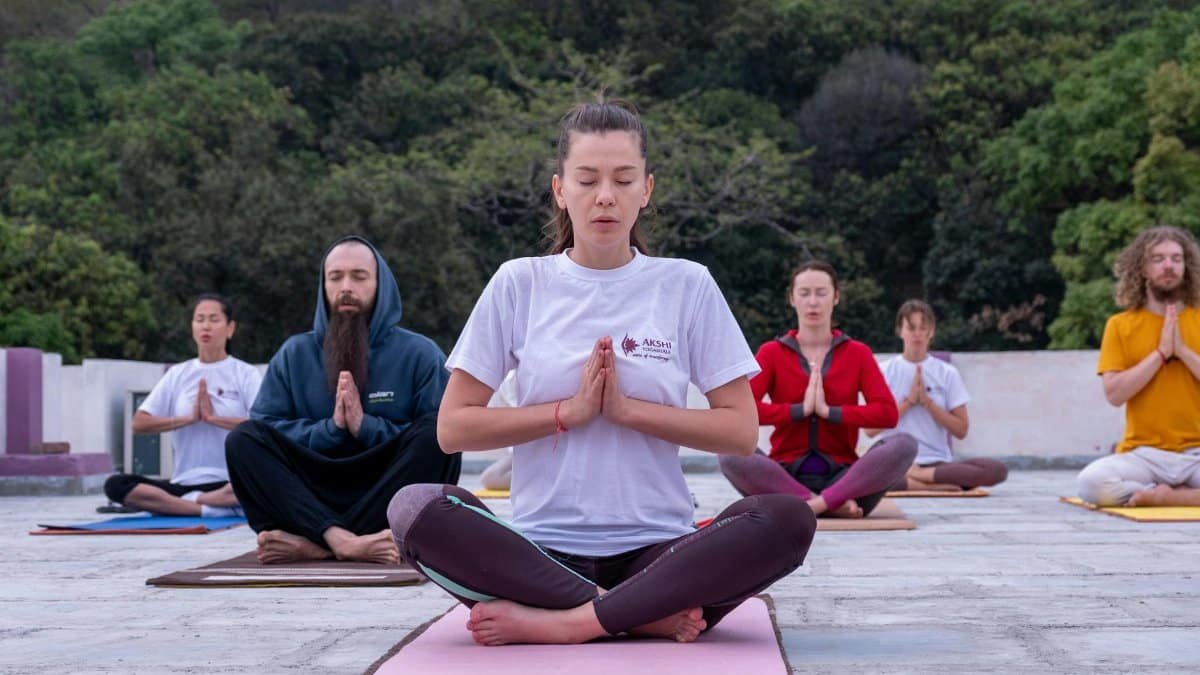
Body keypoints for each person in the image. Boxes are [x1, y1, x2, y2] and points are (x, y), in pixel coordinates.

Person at [387, 101, 816, 647]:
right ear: (560, 190)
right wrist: (570, 413)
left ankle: (571, 622)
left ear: (647, 189)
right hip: (538, 554)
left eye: (623, 179)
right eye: (587, 179)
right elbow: (454, 426)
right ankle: (634, 616)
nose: (605, 195)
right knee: (414, 509)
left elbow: (738, 429)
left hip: (662, 554)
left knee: (786, 522)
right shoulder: (519, 283)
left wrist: (627, 412)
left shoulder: (686, 285)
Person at [225, 236, 460, 564]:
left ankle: (318, 545)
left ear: (381, 285)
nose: (346, 287)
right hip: (309, 492)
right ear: (323, 286)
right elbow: (267, 425)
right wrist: (329, 429)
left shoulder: (418, 353)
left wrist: (366, 427)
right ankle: (345, 541)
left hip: (385, 486)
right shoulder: (295, 353)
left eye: (359, 277)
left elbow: (448, 434)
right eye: (335, 277)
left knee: (437, 433)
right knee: (243, 439)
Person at [719, 260, 917, 518]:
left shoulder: (858, 353)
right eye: (804, 293)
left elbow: (887, 414)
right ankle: (818, 503)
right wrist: (799, 411)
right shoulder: (772, 353)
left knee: (904, 444)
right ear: (792, 298)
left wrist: (829, 411)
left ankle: (819, 504)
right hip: (785, 478)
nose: (813, 302)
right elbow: (742, 410)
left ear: (835, 297)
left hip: (846, 481)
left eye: (821, 293)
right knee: (728, 452)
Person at [103, 294, 261, 517]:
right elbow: (139, 423)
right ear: (192, 327)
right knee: (116, 485)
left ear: (230, 328)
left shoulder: (245, 373)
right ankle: (208, 509)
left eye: (214, 319)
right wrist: (188, 419)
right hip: (183, 484)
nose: (206, 326)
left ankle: (189, 505)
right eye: (200, 319)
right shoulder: (178, 373)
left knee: (268, 482)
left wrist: (214, 419)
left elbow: (264, 425)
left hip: (232, 481)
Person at [1076, 225, 1200, 507]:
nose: (1168, 266)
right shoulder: (1120, 325)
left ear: (1186, 266)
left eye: (1176, 258)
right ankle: (1183, 496)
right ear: (1142, 269)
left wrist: (1181, 351)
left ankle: (1167, 497)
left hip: (1197, 453)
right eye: (1158, 259)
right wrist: (1160, 354)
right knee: (1091, 484)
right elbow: (1114, 394)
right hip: (1144, 455)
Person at [866, 300, 1007, 492]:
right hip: (896, 462)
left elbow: (961, 430)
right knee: (869, 479)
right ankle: (930, 486)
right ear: (900, 330)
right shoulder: (883, 371)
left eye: (923, 328)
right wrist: (908, 402)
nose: (917, 334)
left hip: (937, 464)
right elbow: (870, 430)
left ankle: (918, 478)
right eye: (911, 327)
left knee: (997, 470)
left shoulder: (947, 373)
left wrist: (927, 402)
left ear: (931, 331)